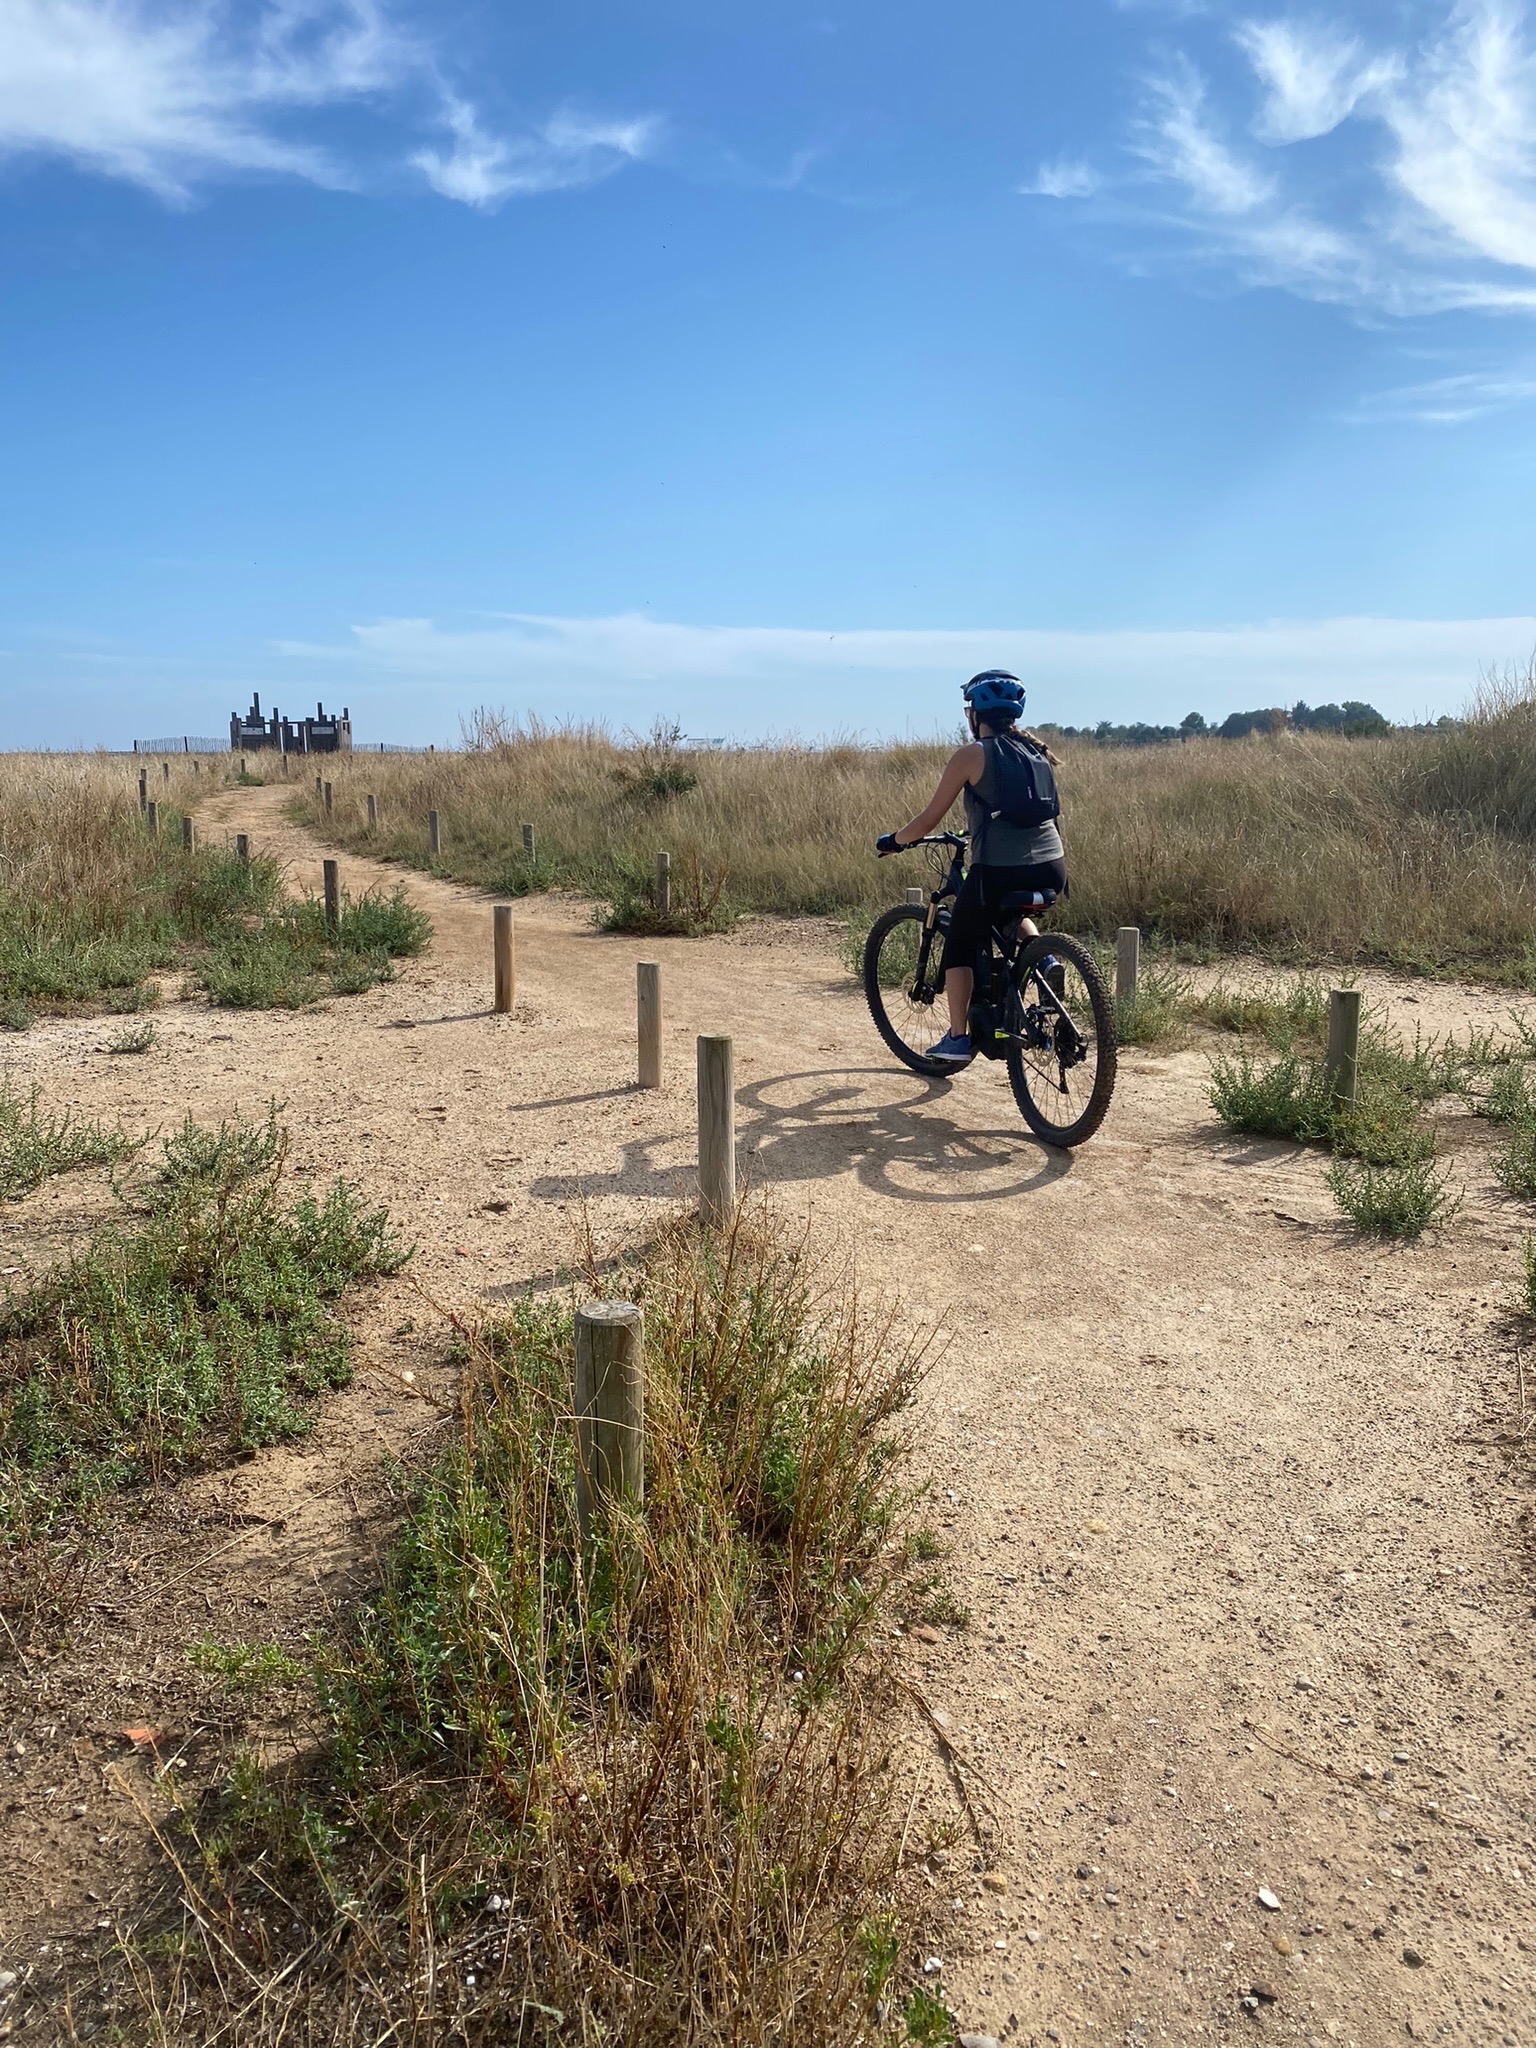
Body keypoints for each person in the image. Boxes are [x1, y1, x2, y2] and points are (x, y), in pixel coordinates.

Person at [875, 670, 1065, 1064]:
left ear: (975, 714)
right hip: (1052, 867)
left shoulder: (971, 755)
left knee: (959, 942)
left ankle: (958, 1038)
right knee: (1011, 913)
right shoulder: (1037, 752)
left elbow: (927, 820)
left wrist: (896, 840)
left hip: (999, 870)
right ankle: (1044, 959)